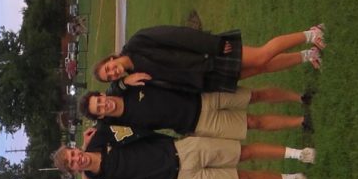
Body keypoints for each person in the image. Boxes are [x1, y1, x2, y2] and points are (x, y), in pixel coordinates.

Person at [52, 133, 315, 179]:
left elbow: (128, 119)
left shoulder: (100, 137)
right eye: (73, 164)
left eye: (73, 154)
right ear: (74, 171)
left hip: (179, 150)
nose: (77, 159)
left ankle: (297, 153)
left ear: (75, 148)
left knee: (241, 153)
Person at [93, 24, 326, 93]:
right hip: (206, 78)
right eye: (110, 76)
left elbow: (176, 35)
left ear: (111, 58)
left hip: (208, 55)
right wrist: (124, 82)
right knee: (261, 68)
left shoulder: (137, 42)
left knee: (263, 54)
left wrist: (212, 44)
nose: (113, 72)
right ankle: (307, 55)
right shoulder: (134, 77)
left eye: (109, 67)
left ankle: (310, 34)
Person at [78, 85, 312, 138]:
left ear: (102, 95)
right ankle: (301, 121)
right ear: (100, 115)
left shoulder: (127, 85)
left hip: (203, 95)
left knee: (254, 95)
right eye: (99, 109)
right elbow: (103, 137)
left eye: (99, 100)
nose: (103, 105)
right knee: (252, 122)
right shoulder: (125, 126)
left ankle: (300, 97)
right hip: (199, 123)